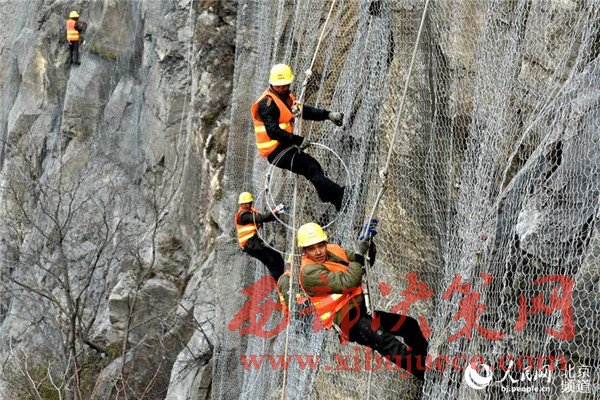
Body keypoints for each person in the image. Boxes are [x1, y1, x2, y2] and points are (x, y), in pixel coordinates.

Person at [279, 221, 428, 380]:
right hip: (346, 319)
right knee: (387, 342)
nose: (318, 252)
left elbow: (363, 263)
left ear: (325, 243)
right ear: (304, 251)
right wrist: (358, 253)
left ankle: (425, 362)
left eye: (320, 246)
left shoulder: (334, 251)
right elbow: (349, 281)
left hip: (360, 310)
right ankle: (428, 376)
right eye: (311, 249)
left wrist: (368, 244)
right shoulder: (309, 273)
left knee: (409, 325)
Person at [251, 64, 346, 211]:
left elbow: (303, 111)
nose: (282, 88)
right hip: (275, 151)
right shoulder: (267, 104)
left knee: (313, 166)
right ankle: (340, 196)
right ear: (272, 84)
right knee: (310, 168)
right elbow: (273, 131)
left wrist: (327, 115)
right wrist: (298, 140)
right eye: (278, 86)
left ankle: (331, 197)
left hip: (284, 145)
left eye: (285, 85)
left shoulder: (285, 97)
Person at [235, 192, 286, 281]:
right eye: (245, 203)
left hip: (253, 244)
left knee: (276, 256)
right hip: (251, 245)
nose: (247, 205)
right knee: (271, 261)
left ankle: (283, 276)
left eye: (248, 203)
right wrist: (276, 210)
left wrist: (277, 213)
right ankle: (281, 282)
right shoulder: (243, 216)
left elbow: (262, 218)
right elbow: (261, 218)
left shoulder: (249, 212)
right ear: (241, 204)